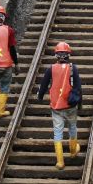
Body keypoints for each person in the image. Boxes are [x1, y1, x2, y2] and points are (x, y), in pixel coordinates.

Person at [37, 41, 81, 169]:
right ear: (69, 55)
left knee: (57, 132)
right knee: (72, 127)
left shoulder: (51, 69)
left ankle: (60, 162)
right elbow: (78, 88)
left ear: (56, 55)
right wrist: (80, 103)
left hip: (56, 106)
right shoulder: (73, 68)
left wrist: (40, 97)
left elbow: (44, 85)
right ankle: (73, 151)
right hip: (71, 105)